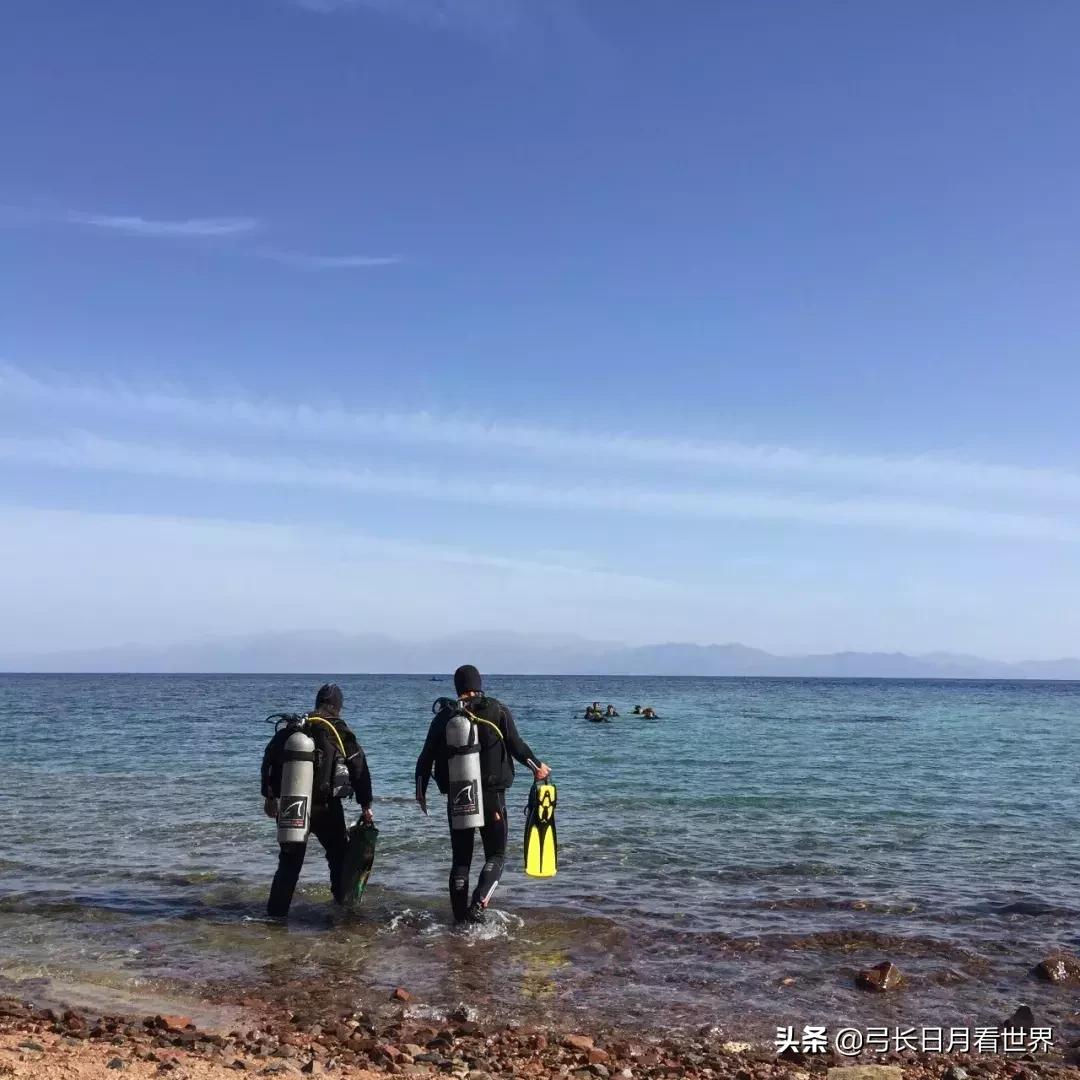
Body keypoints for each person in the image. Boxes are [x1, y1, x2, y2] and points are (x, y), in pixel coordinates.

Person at [415, 664, 551, 924]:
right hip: (492, 796)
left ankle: (458, 921)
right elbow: (516, 746)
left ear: (457, 688)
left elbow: (425, 758)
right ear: (479, 684)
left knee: (461, 860)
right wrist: (537, 767)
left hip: (459, 794)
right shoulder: (497, 710)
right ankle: (478, 904)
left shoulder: (445, 717)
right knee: (496, 855)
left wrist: (420, 793)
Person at [261, 683, 374, 917]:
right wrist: (366, 805)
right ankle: (342, 912)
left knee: (289, 863)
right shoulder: (338, 730)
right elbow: (358, 766)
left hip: (293, 805)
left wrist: (269, 797)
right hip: (326, 807)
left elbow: (268, 760)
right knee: (338, 858)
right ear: (337, 707)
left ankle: (274, 918)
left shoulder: (294, 730)